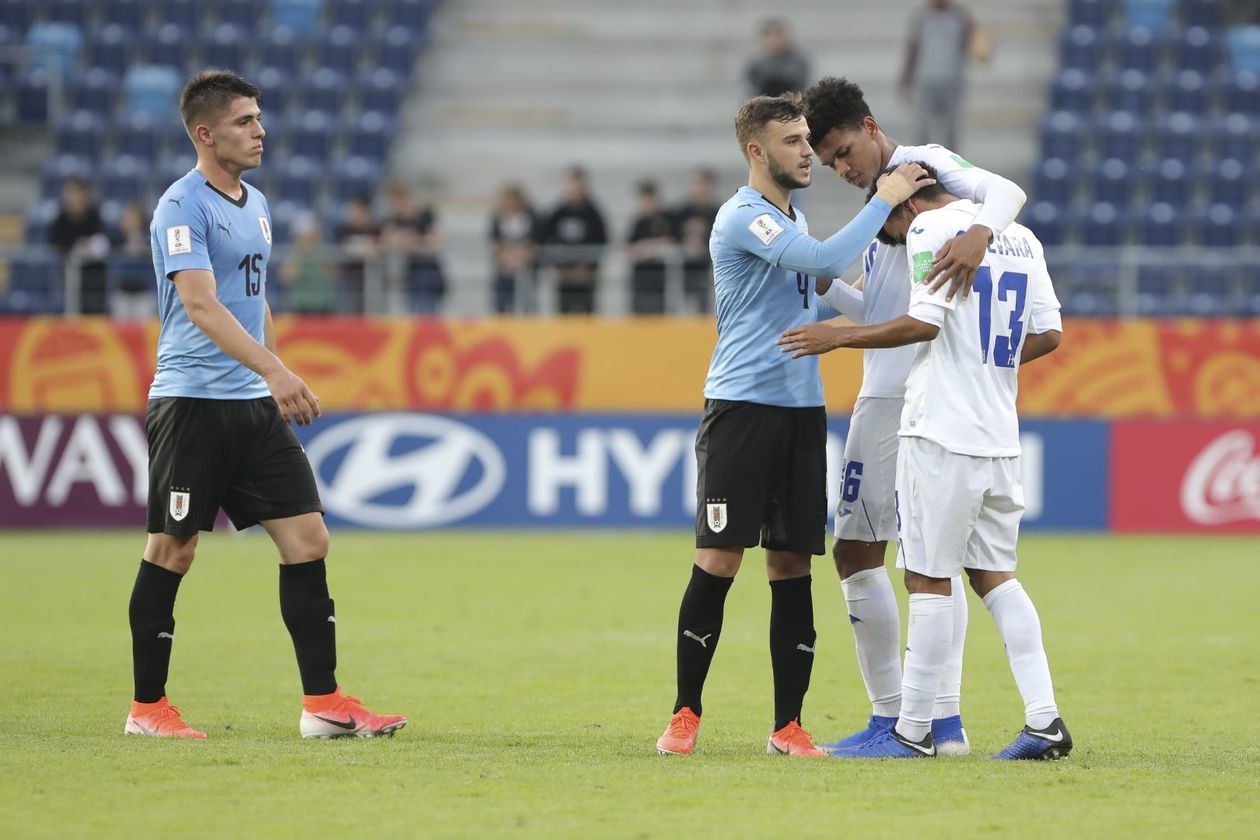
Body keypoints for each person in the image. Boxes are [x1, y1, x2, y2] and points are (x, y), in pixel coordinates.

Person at [652, 92, 932, 759]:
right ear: (757, 150)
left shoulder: (793, 216)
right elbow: (822, 263)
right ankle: (685, 713)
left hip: (803, 412)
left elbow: (838, 284)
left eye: (809, 139)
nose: (808, 152)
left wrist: (913, 308)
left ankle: (788, 726)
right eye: (793, 141)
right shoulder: (745, 217)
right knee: (719, 558)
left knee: (792, 564)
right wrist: (883, 195)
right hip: (741, 409)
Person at [126, 70, 405, 740]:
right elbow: (199, 304)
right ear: (206, 133)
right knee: (172, 551)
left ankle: (323, 704)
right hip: (192, 403)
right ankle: (147, 709)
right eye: (245, 121)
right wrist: (276, 370)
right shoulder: (181, 207)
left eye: (259, 118)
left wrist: (273, 375)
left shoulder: (255, 203)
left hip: (251, 402)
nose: (261, 131)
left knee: (308, 539)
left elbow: (253, 301)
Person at [777, 165, 1071, 760]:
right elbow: (1049, 334)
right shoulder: (1019, 235)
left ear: (903, 208)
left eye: (886, 226)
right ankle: (1045, 720)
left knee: (927, 578)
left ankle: (913, 731)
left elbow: (921, 323)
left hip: (939, 430)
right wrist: (983, 363)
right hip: (999, 432)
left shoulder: (929, 229)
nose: (889, 240)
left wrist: (837, 338)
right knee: (995, 577)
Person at [800, 75, 1029, 755]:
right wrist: (826, 283)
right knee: (932, 560)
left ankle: (896, 718)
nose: (844, 169)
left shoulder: (924, 165)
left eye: (846, 151)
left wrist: (982, 233)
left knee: (859, 551)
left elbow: (1009, 191)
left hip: (902, 395)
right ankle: (942, 724)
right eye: (833, 162)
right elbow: (876, 305)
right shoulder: (879, 212)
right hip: (900, 388)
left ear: (870, 128)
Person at [899, 0, 989, 150]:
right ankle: (923, 167)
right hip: (925, 82)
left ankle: (952, 167)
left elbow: (977, 44)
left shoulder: (961, 16)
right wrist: (905, 81)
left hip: (952, 82)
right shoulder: (921, 17)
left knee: (951, 130)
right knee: (923, 129)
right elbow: (912, 49)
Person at [539, 166, 608, 314]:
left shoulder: (594, 213)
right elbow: (544, 239)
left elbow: (602, 241)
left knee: (588, 316)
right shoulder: (558, 211)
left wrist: (587, 268)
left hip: (586, 276)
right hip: (564, 275)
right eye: (572, 183)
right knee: (563, 315)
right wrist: (559, 268)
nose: (575, 188)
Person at [380, 181, 446, 314]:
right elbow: (386, 240)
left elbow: (436, 241)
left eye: (396, 202)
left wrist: (413, 240)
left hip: (429, 270)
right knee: (412, 314)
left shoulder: (425, 215)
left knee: (429, 314)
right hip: (410, 271)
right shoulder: (393, 219)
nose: (394, 207)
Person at [49, 176, 109, 314]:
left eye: (75, 192)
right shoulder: (61, 218)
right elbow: (54, 241)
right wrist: (75, 244)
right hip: (68, 275)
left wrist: (88, 244)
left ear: (84, 194)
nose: (71, 196)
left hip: (93, 278)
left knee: (93, 312)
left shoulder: (93, 215)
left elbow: (103, 241)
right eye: (68, 192)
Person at [671, 167, 721, 313]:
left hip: (707, 269)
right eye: (697, 183)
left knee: (703, 303)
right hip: (681, 269)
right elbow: (671, 235)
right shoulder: (681, 211)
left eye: (704, 183)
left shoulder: (718, 212)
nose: (700, 187)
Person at [626, 180, 678, 315]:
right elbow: (629, 248)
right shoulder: (638, 222)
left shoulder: (665, 219)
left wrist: (648, 247)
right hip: (639, 280)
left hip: (659, 280)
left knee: (659, 315)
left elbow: (671, 242)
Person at [488, 184, 538, 314]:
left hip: (524, 264)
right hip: (505, 266)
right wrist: (508, 257)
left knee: (527, 299)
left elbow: (532, 242)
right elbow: (496, 242)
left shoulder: (530, 217)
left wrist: (520, 257)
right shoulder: (498, 218)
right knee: (503, 299)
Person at [108, 199, 157, 320]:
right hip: (121, 292)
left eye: (133, 216)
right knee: (121, 331)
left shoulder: (150, 237)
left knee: (144, 329)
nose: (130, 220)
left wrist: (142, 248)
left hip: (143, 293)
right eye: (127, 216)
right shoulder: (116, 237)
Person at [280, 213, 338, 313]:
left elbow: (333, 275)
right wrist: (298, 255)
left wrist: (318, 254)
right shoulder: (294, 255)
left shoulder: (323, 253)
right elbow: (286, 278)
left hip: (323, 306)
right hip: (300, 306)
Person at [333, 196, 380, 314]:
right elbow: (343, 248)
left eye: (356, 210)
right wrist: (362, 248)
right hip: (349, 279)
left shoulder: (375, 229)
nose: (352, 213)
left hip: (371, 280)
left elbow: (378, 248)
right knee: (349, 313)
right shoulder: (343, 230)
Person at [745, 18, 811, 97]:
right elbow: (749, 91)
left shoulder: (799, 62)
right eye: (768, 34)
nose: (773, 39)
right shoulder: (755, 64)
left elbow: (803, 89)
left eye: (778, 34)